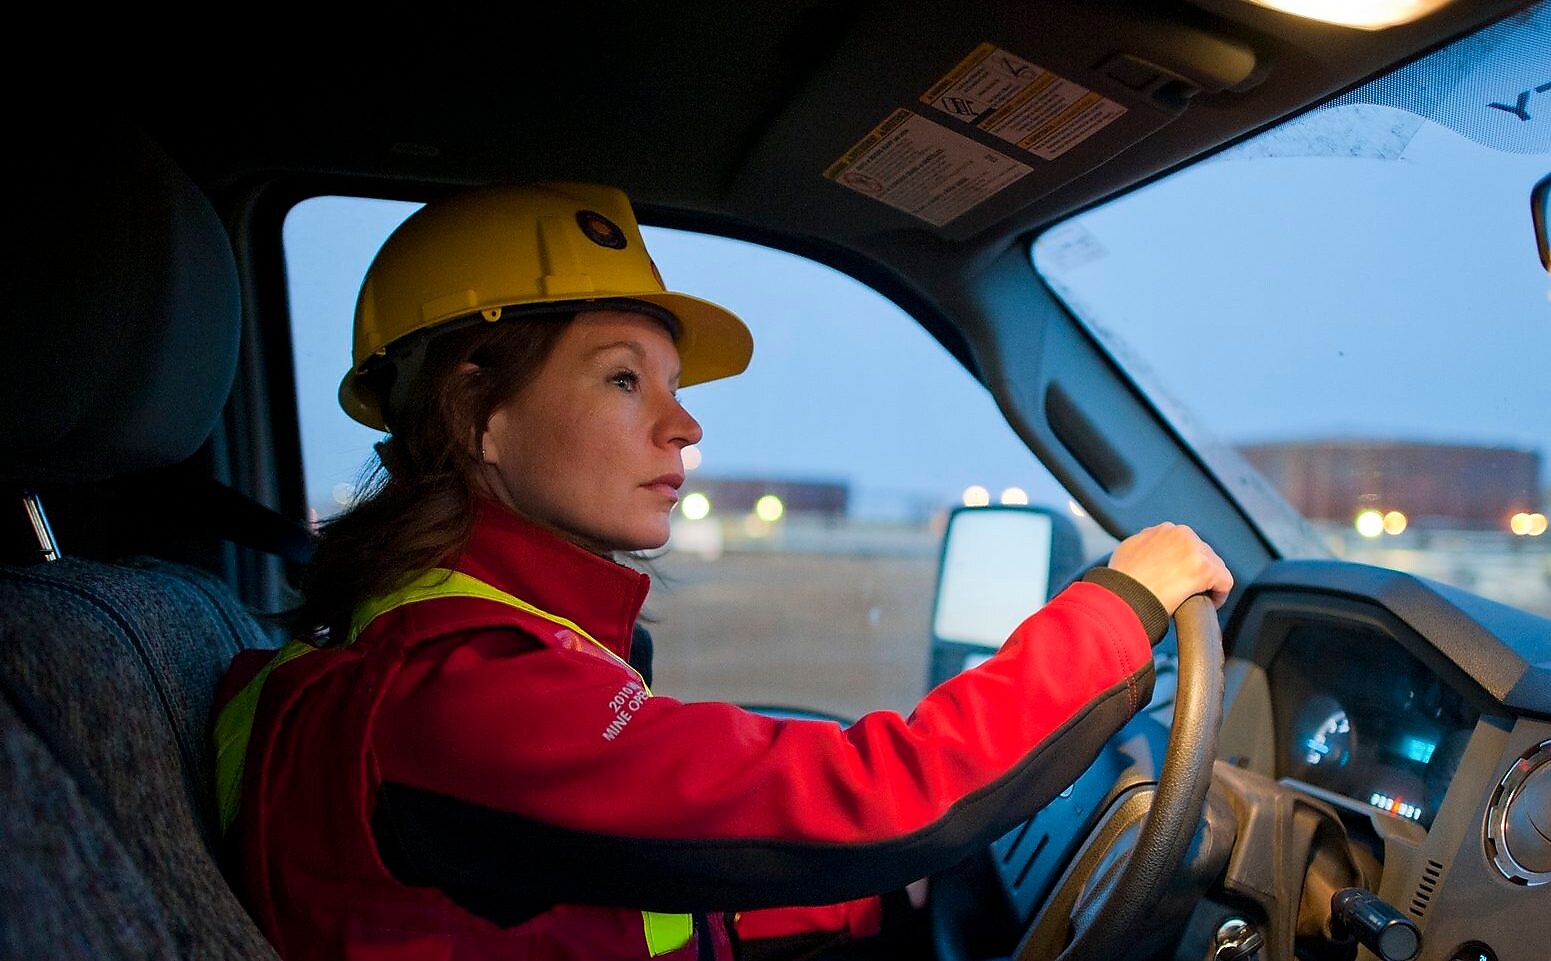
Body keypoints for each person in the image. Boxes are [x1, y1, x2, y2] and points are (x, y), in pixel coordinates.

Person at [213, 182, 1233, 961]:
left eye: (672, 381)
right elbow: (877, 799)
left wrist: (864, 896)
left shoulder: (452, 644)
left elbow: (609, 907)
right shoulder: (468, 693)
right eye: (623, 377)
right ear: (478, 411)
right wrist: (1122, 603)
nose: (686, 422)